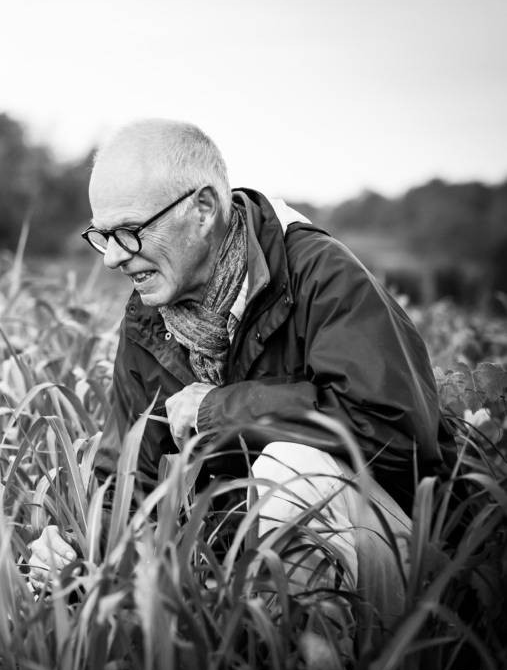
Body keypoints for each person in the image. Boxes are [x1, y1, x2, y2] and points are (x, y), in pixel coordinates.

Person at [28, 119, 445, 638]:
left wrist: (219, 411)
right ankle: (250, 645)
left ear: (203, 209)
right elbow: (130, 477)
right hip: (243, 577)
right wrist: (76, 546)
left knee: (292, 471)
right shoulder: (149, 315)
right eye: (101, 236)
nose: (112, 257)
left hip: (397, 570)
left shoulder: (322, 276)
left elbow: (396, 435)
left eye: (129, 231)